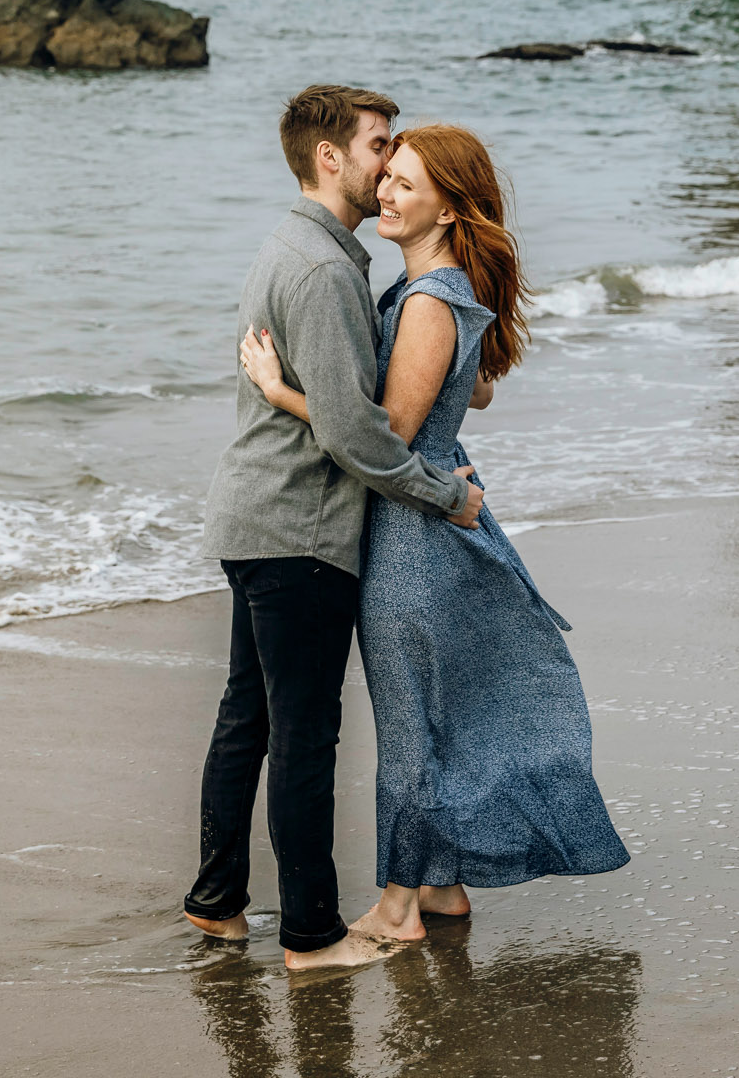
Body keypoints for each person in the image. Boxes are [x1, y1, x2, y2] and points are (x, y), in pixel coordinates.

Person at [240, 122, 629, 945]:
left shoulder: (426, 300)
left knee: (411, 718)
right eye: (387, 178)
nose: (384, 191)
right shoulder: (438, 294)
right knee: (434, 712)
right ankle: (445, 886)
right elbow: (472, 391)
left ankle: (395, 908)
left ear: (448, 209)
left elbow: (382, 434)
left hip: (411, 540)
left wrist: (279, 392)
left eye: (405, 184)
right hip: (428, 516)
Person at [187, 85, 486, 972]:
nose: (388, 164)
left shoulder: (303, 249)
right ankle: (312, 937)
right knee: (305, 734)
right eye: (378, 146)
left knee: (249, 717)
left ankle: (216, 901)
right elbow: (361, 435)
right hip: (300, 531)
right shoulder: (323, 271)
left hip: (256, 519)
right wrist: (446, 495)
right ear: (331, 157)